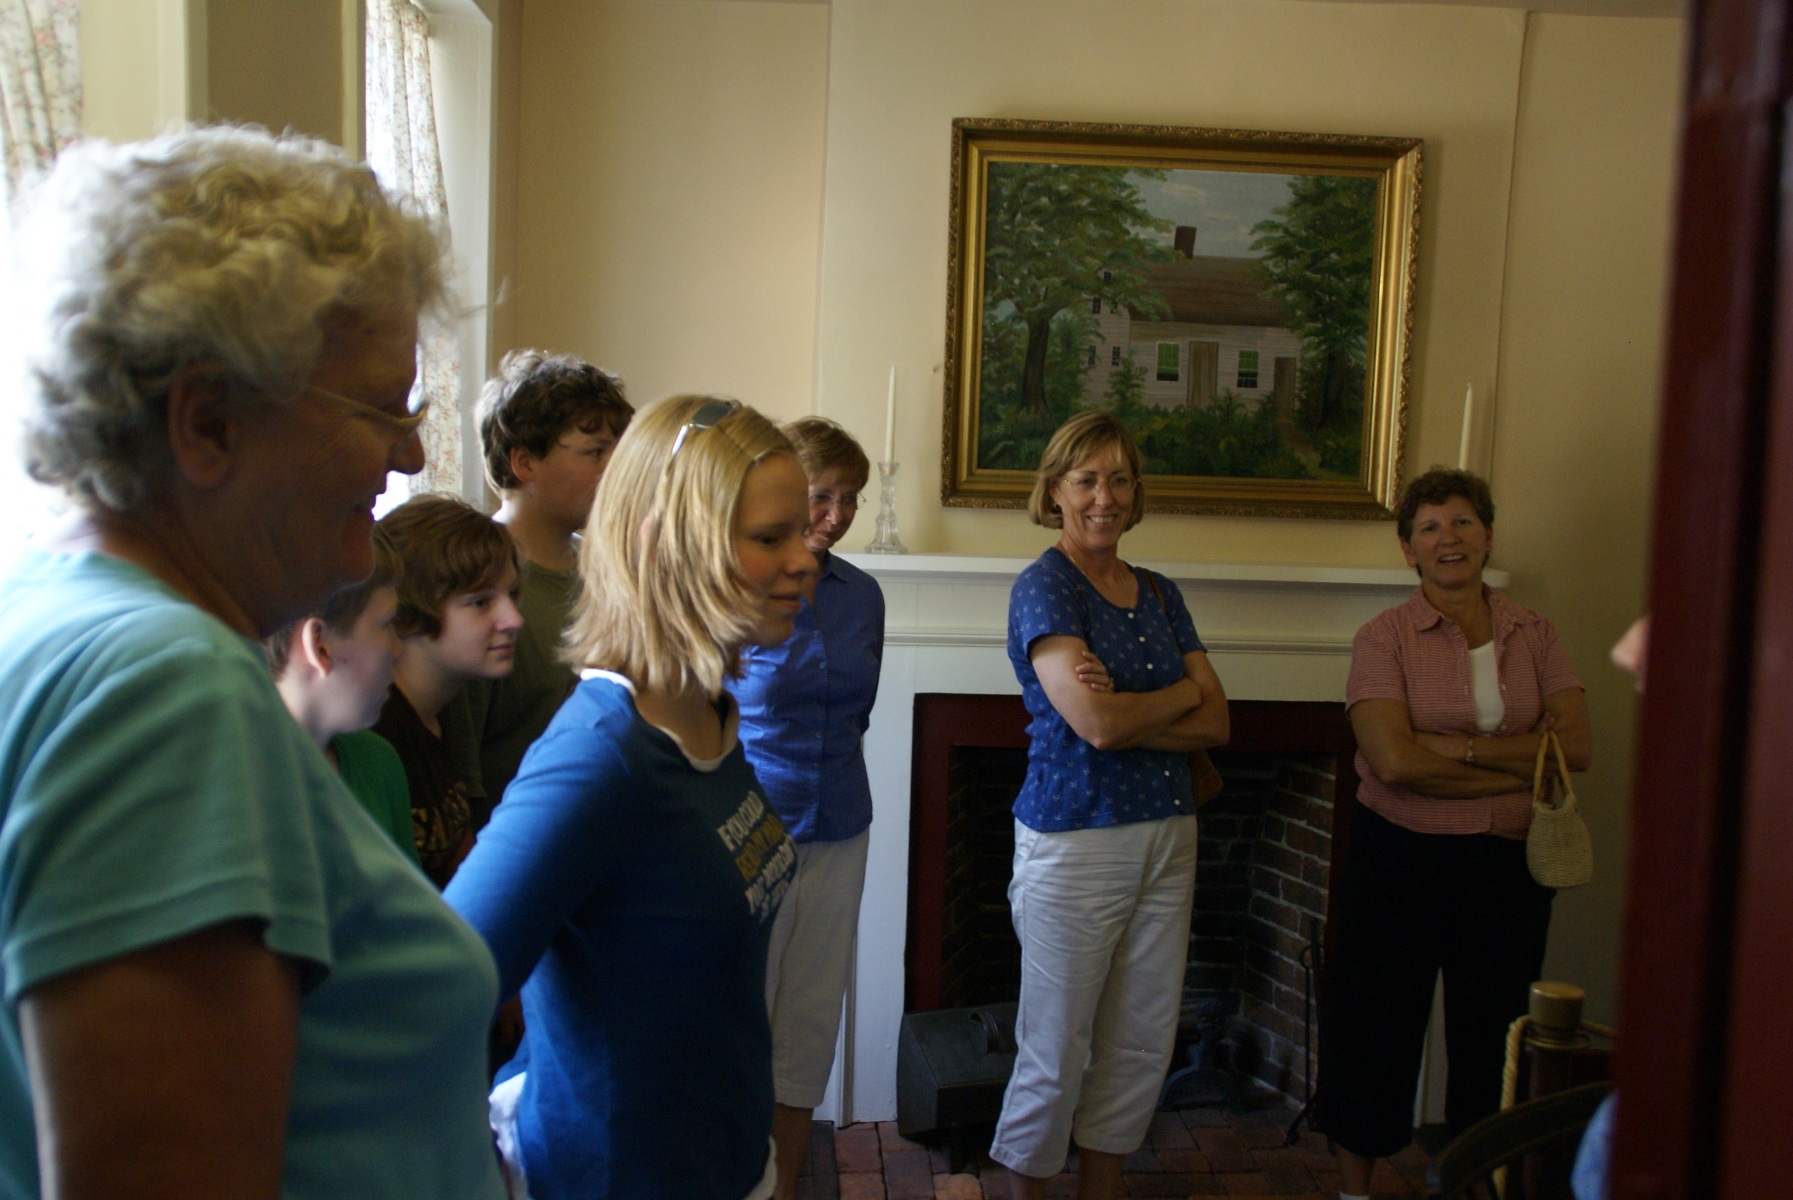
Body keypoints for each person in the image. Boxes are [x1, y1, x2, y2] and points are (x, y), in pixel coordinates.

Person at [0, 127, 504, 1199]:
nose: (412, 453)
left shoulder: (48, 614)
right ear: (206, 422)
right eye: (381, 410)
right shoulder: (167, 691)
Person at [445, 395, 808, 1200]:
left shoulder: (708, 710)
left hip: (723, 1163)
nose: (804, 557)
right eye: (768, 537)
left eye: (799, 531)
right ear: (663, 546)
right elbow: (435, 991)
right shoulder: (599, 758)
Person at [1317, 467, 1591, 1200]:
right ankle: (1353, 1191)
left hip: (1508, 866)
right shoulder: (1382, 639)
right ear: (1407, 549)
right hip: (1399, 858)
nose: (1449, 538)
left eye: (1463, 522)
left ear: (1487, 535)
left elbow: (1577, 749)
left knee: (1495, 1037)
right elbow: (1393, 762)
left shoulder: (1535, 633)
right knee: (1374, 1028)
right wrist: (1520, 764)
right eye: (1430, 527)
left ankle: (1477, 1182)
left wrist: (1457, 750)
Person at [991, 412, 1230, 1200]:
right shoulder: (1045, 586)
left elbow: (1218, 721)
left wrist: (1134, 709)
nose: (1105, 496)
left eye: (1119, 479)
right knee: (1056, 1046)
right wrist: (1178, 693)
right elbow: (1095, 725)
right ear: (1055, 490)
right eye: (1087, 479)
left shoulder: (1158, 591)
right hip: (1076, 837)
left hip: (1168, 831)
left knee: (1140, 1039)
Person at [728, 417, 884, 1198]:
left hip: (842, 826)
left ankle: (784, 1186)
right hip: (753, 830)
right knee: (742, 1020)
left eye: (850, 499)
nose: (836, 515)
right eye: (822, 496)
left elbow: (860, 713)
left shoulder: (864, 596)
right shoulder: (742, 583)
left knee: (808, 1024)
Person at [455, 349, 633, 804]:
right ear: (525, 462)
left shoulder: (608, 569)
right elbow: (461, 768)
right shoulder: (473, 586)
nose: (616, 472)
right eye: (595, 453)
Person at [375, 493, 524, 888]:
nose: (513, 619)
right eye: (480, 602)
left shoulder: (443, 710)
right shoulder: (377, 730)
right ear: (408, 614)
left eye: (511, 595)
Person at [267, 526, 419, 864]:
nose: (397, 648)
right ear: (320, 646)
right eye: (387, 623)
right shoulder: (234, 789)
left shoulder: (378, 762)